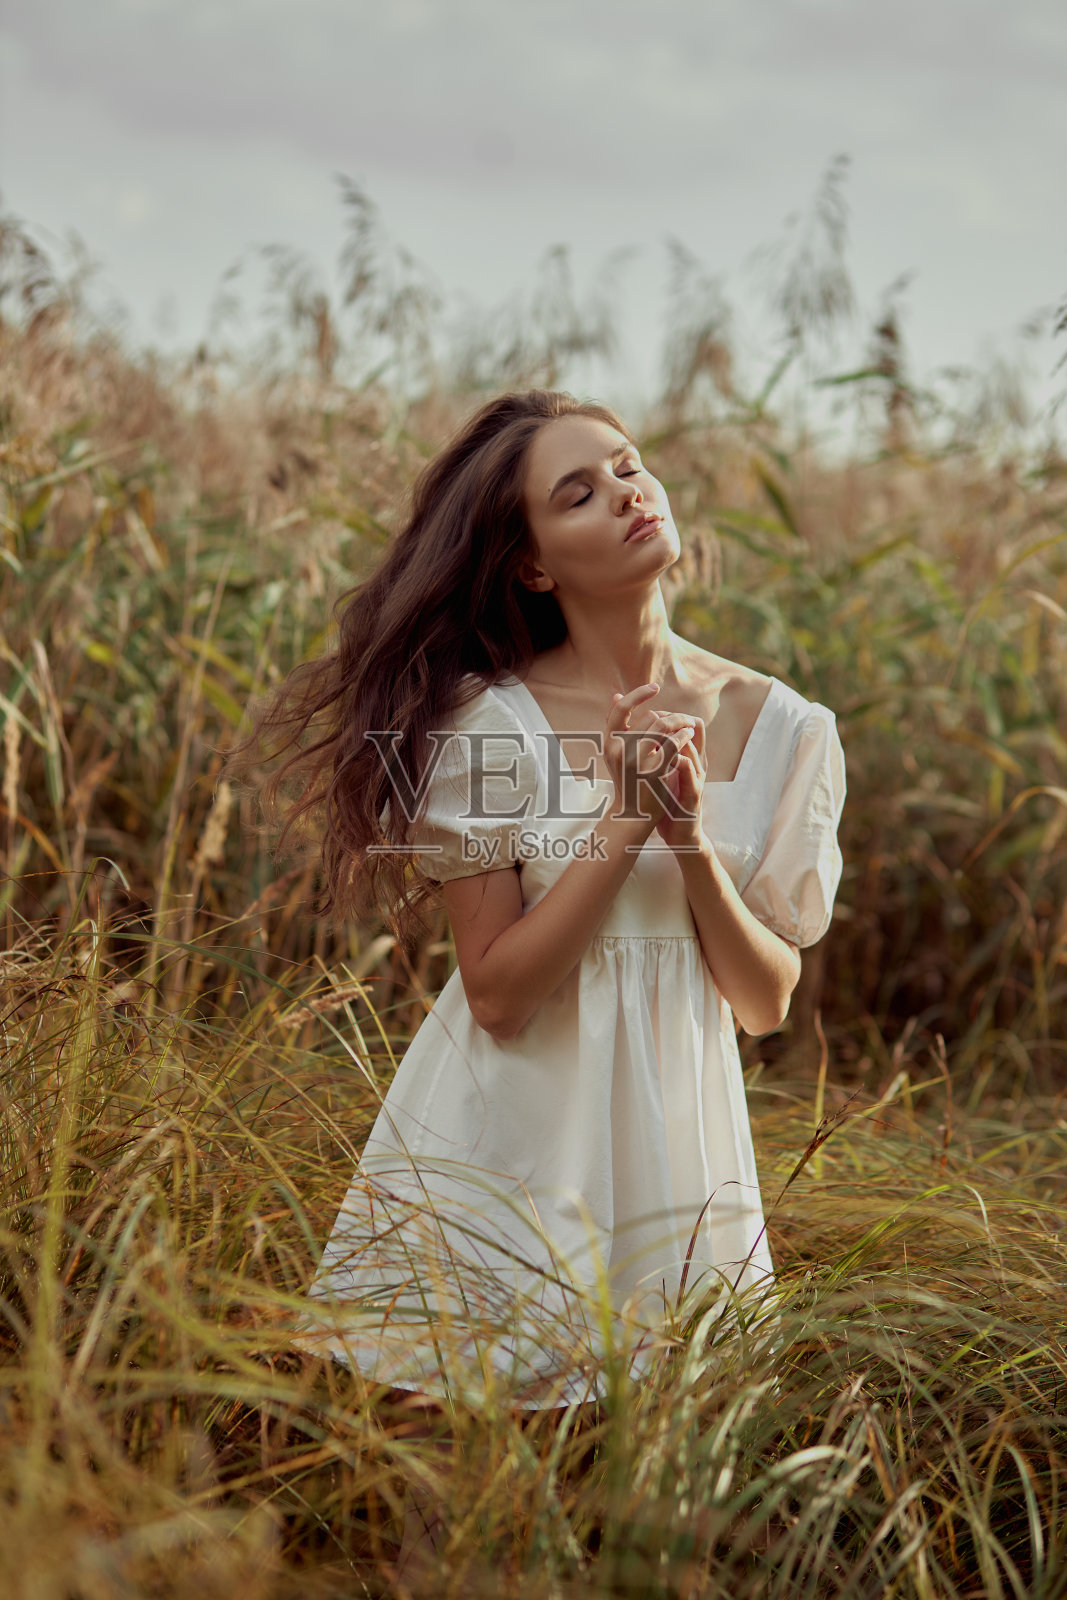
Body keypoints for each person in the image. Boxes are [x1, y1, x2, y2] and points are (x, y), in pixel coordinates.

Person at [232, 388, 845, 1569]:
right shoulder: (488, 726)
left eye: (625, 466)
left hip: (677, 1157)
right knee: (468, 1535)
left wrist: (687, 839)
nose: (626, 491)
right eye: (579, 489)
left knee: (654, 1531)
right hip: (506, 1147)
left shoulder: (783, 727)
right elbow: (500, 993)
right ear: (525, 564)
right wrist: (619, 822)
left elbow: (763, 1000)